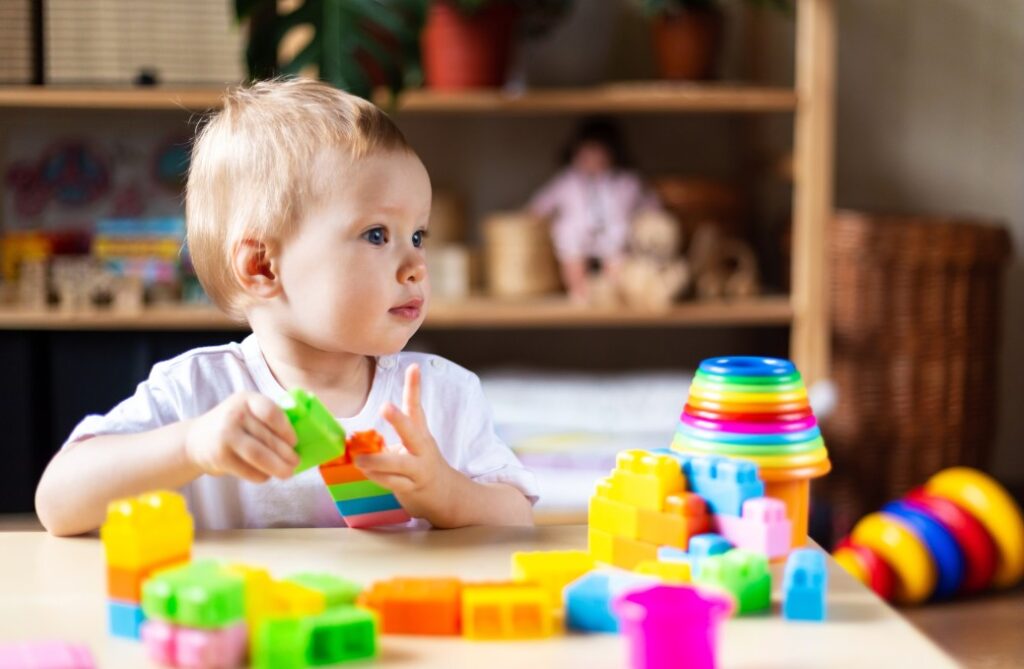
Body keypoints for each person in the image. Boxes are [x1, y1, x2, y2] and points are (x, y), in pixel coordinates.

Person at [35, 79, 538, 535]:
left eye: (418, 235)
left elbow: (518, 516)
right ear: (263, 268)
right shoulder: (198, 394)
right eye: (377, 235)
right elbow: (57, 502)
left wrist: (446, 493)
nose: (416, 265)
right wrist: (191, 446)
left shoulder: (438, 397)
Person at [528, 117, 659, 303]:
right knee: (572, 258)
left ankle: (612, 292)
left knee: (617, 262)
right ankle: (579, 292)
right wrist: (531, 216)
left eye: (596, 151)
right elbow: (542, 203)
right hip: (577, 235)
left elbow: (649, 204)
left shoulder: (626, 182)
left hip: (614, 234)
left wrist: (654, 217)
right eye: (584, 151)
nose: (589, 157)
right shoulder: (569, 181)